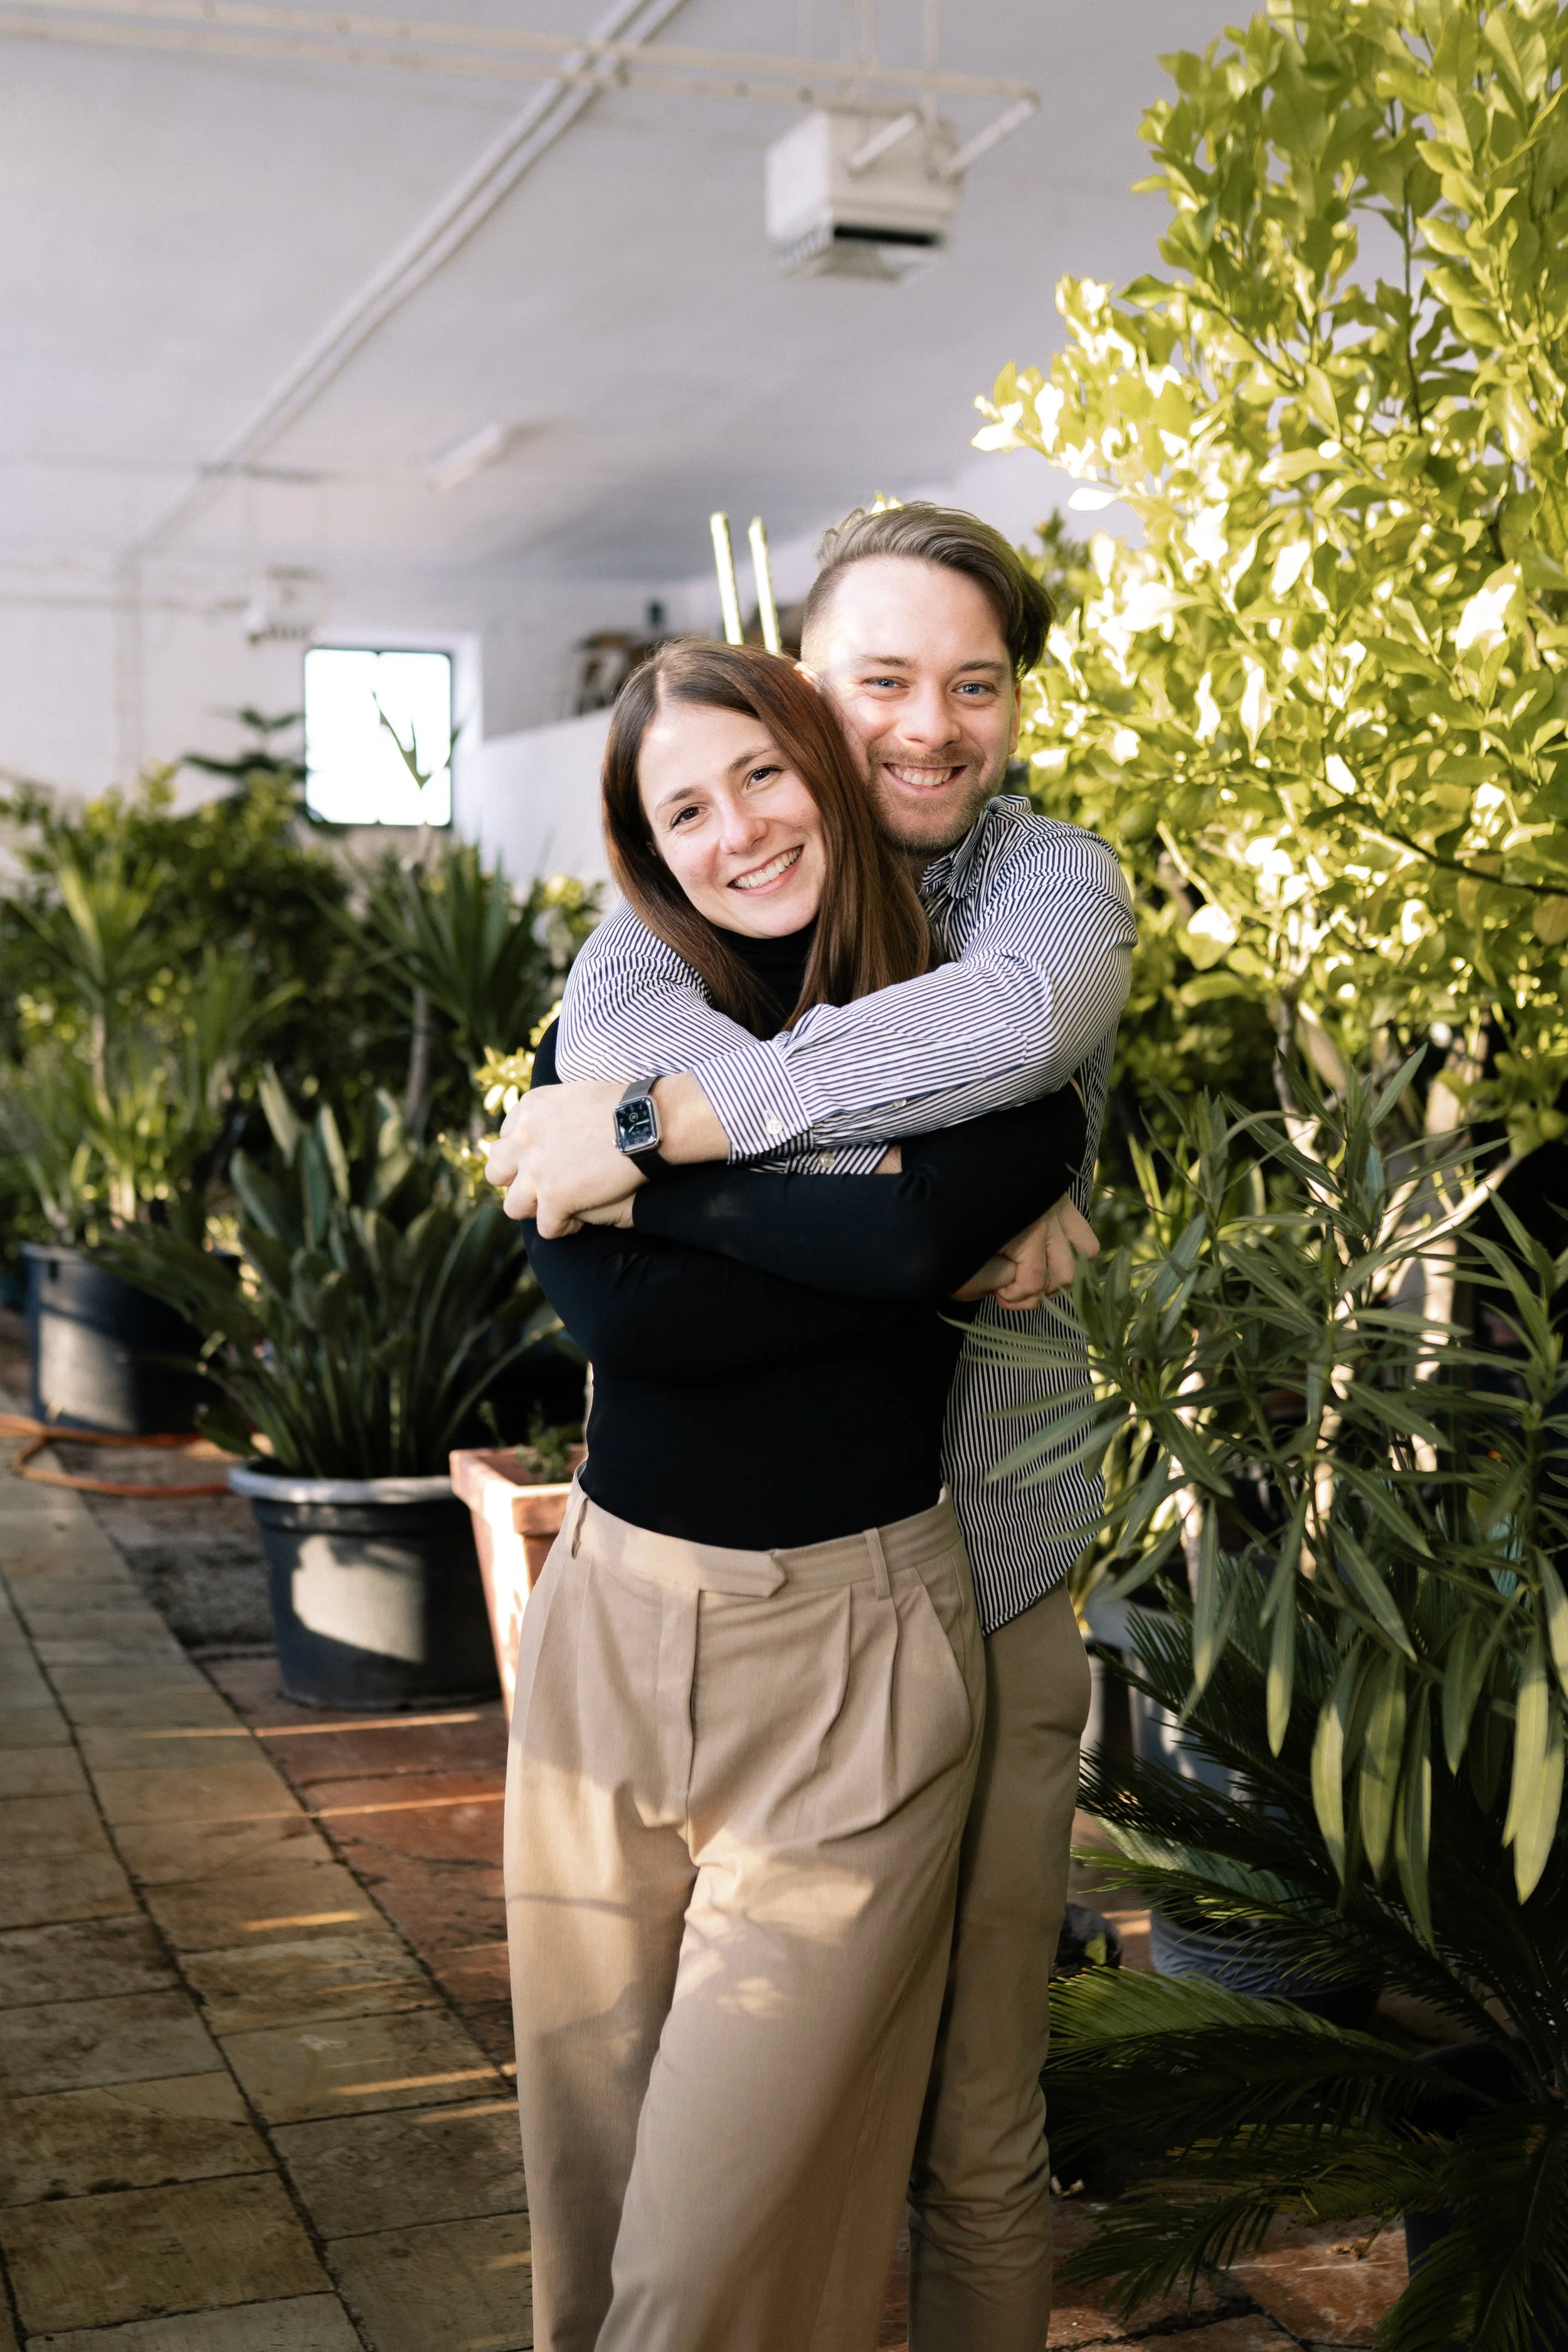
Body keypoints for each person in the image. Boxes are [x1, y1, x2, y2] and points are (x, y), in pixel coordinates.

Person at [488, 503, 1137, 2351]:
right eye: (876, 684)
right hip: (664, 1599)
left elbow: (979, 1094)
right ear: (799, 688)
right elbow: (625, 1309)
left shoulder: (1039, 895)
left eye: (973, 682)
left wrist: (640, 1143)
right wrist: (863, 1218)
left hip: (970, 1586)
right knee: (636, 2175)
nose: (925, 726)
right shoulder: (659, 945)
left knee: (966, 2131)